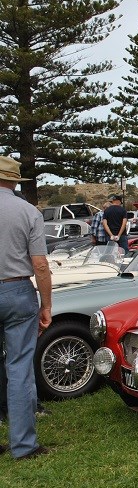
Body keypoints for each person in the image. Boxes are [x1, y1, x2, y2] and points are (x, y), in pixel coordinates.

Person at [0, 155, 52, 460]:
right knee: (18, 368)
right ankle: (23, 445)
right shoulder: (28, 211)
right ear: (15, 180)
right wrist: (47, 305)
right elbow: (41, 265)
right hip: (18, 289)